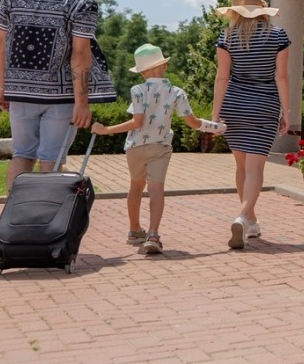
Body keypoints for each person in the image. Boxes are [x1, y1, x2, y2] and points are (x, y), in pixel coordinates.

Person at [0, 0, 116, 190]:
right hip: (60, 97)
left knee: (22, 155)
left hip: (20, 92)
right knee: (51, 160)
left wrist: (3, 87)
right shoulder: (81, 0)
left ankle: (14, 211)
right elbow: (80, 53)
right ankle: (44, 212)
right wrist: (82, 102)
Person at [92, 43, 223, 256]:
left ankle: (134, 230)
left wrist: (106, 130)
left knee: (135, 186)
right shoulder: (177, 92)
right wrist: (218, 127)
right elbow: (193, 123)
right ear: (164, 66)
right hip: (160, 146)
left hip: (135, 147)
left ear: (142, 72)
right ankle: (153, 235)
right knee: (156, 189)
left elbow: (137, 122)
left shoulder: (137, 90)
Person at [212, 0, 290, 249]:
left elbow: (222, 77)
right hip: (264, 105)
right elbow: (281, 77)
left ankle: (251, 221)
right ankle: (244, 216)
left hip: (234, 105)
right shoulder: (278, 35)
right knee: (255, 169)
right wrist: (286, 111)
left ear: (235, 11)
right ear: (262, 10)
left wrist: (216, 113)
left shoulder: (226, 36)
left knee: (242, 167)